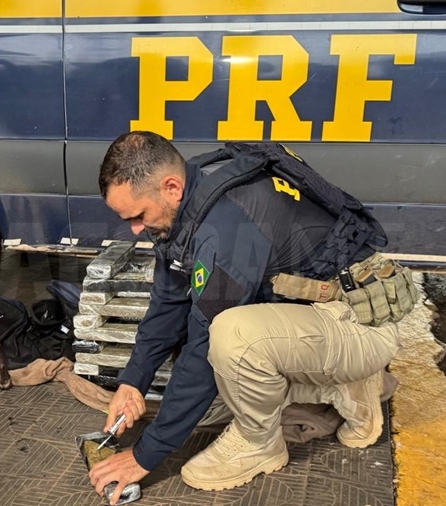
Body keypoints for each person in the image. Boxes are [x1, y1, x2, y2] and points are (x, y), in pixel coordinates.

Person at [87, 132, 411, 503]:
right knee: (212, 377)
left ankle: (260, 444)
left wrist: (146, 455)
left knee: (230, 338)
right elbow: (167, 304)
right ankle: (345, 386)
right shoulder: (193, 196)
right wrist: (133, 382)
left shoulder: (229, 227)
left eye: (138, 216)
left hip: (362, 325)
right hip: (319, 315)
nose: (135, 228)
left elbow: (203, 346)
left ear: (171, 187)